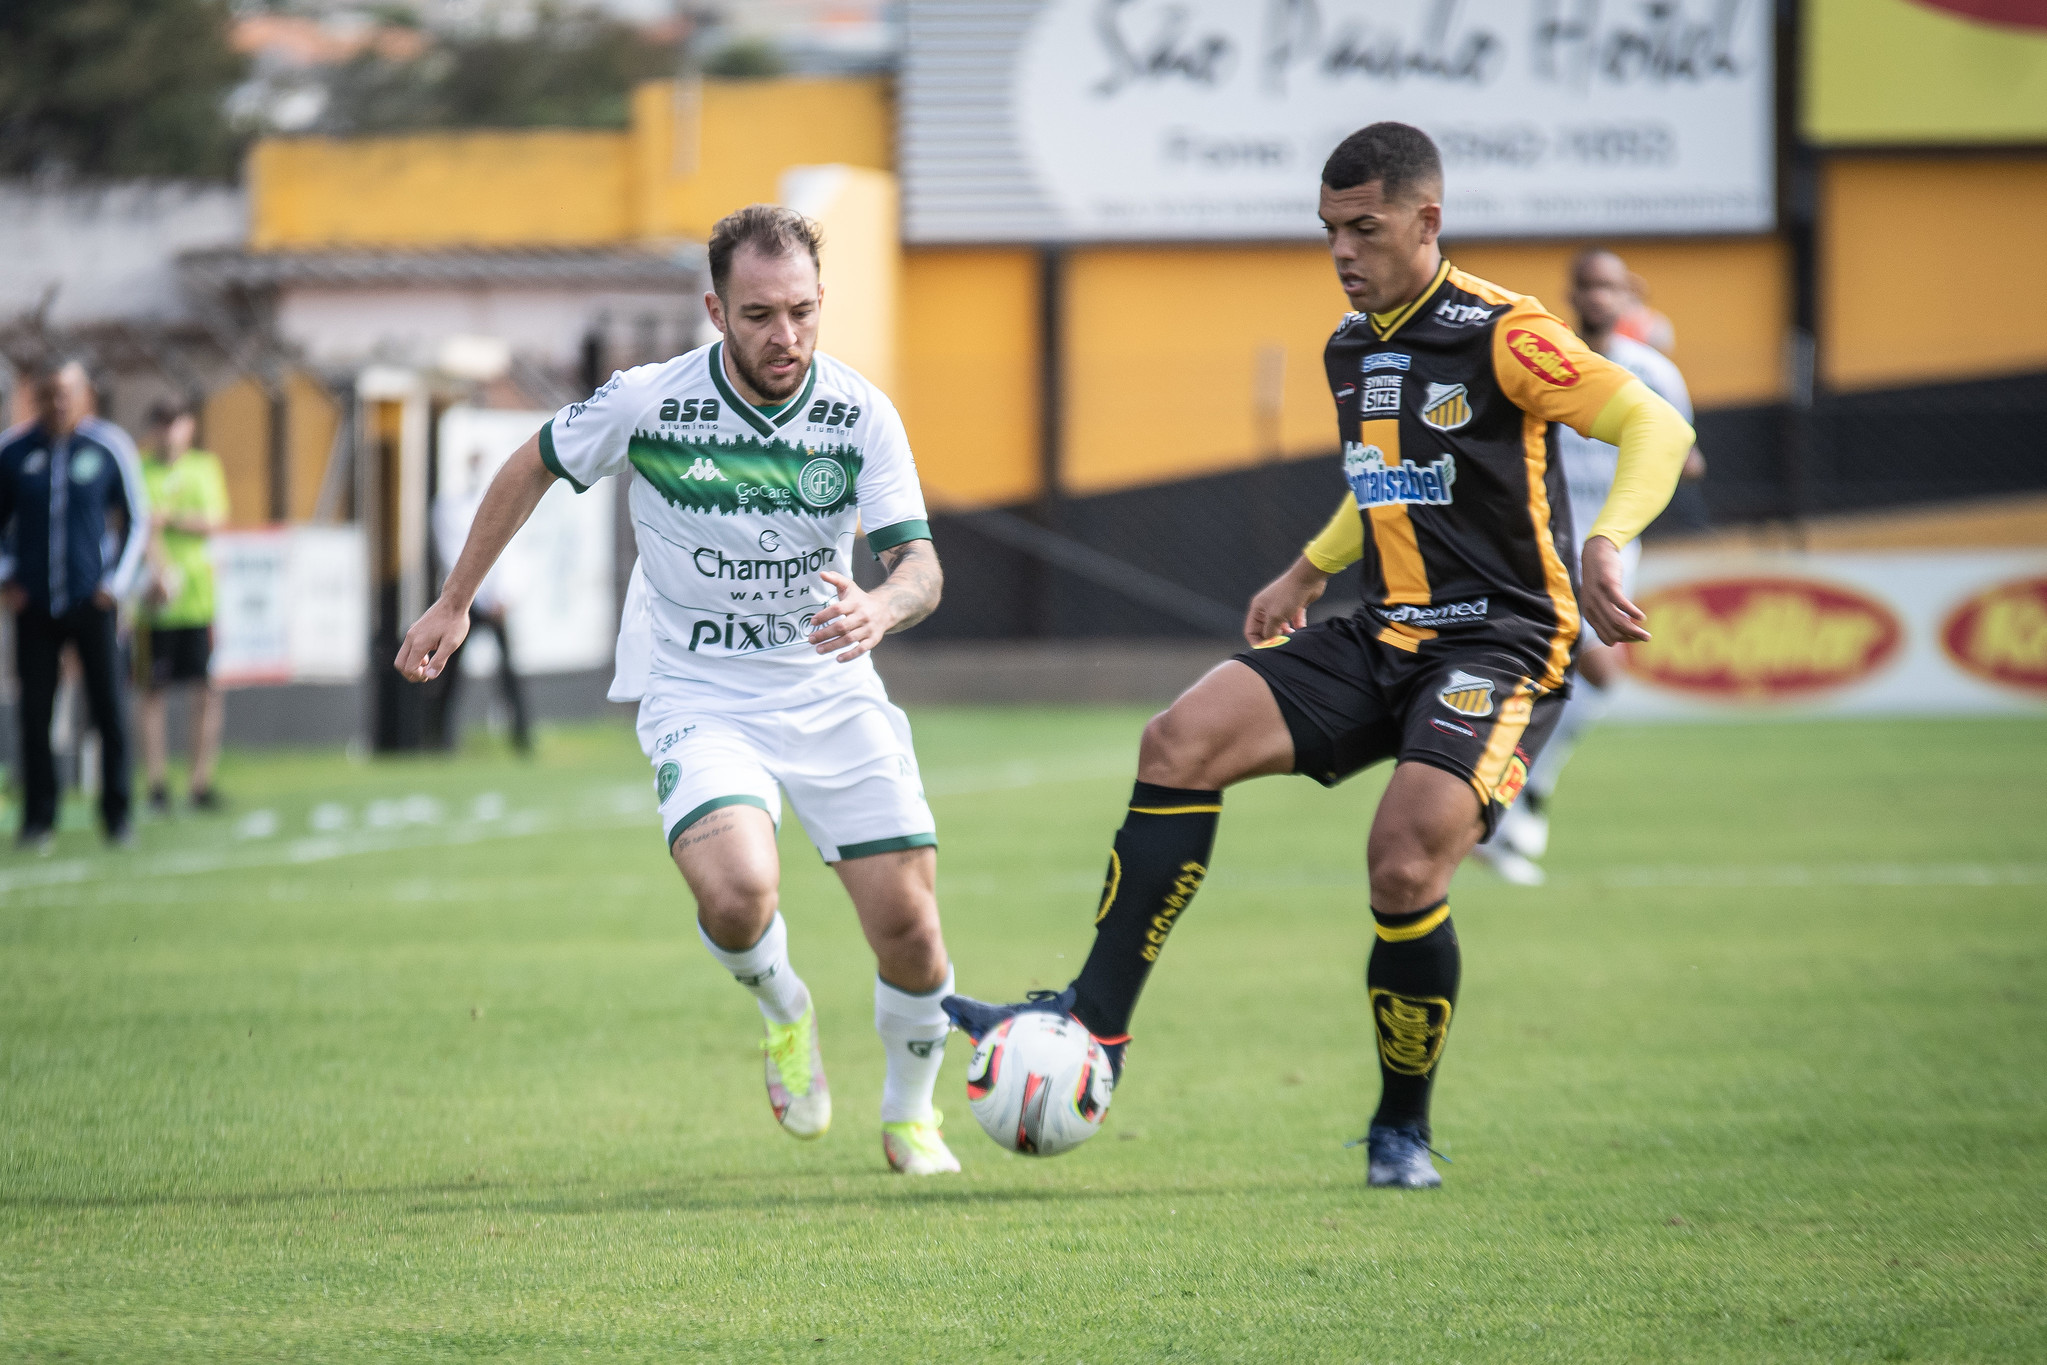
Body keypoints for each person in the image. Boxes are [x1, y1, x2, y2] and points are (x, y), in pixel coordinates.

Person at [943, 124, 1695, 1188]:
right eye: (1329, 230)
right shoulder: (1353, 345)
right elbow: (1385, 474)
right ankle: (1096, 1026)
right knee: (1180, 738)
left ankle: (1401, 1125)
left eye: (1365, 228)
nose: (1342, 251)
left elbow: (1650, 424)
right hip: (1382, 632)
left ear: (1425, 221)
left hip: (1499, 641)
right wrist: (1307, 569)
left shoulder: (1505, 334)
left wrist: (1608, 541)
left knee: (1403, 860)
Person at [394, 205, 962, 1175]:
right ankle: (785, 1008)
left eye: (801, 311)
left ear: (823, 303)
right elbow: (531, 463)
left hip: (828, 688)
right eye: (757, 316)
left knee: (909, 929)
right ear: (715, 309)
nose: (784, 337)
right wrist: (455, 599)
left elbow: (920, 565)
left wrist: (881, 606)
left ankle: (911, 1114)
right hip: (698, 688)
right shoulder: (647, 400)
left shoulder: (860, 412)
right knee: (740, 894)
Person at [1471, 248, 1706, 885]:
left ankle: (1508, 798)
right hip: (1549, 542)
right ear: (1572, 294)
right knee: (1598, 668)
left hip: (1615, 544)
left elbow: (1686, 456)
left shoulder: (1652, 372)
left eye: (1610, 286)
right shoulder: (1552, 366)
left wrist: (1639, 435)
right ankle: (1502, 804)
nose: (1599, 296)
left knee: (1578, 680)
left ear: (1630, 294)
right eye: (1588, 285)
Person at [0, 361, 149, 851]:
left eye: (66, 393)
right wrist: (7, 579)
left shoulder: (108, 447)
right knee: (35, 712)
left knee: (108, 708)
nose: (57, 403)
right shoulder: (15, 451)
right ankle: (39, 819)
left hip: (93, 602)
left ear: (85, 395)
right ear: (34, 398)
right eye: (47, 394)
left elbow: (137, 519)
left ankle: (117, 816)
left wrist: (117, 584)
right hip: (36, 604)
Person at [137, 398, 231, 813]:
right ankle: (157, 784)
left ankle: (200, 782)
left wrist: (170, 520)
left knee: (206, 690)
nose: (167, 431)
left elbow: (214, 520)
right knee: (151, 692)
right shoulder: (140, 470)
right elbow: (136, 526)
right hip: (154, 605)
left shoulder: (203, 468)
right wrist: (157, 569)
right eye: (160, 423)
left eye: (174, 422)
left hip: (197, 599)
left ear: (188, 426)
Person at [426, 447, 530, 754]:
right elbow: (453, 553)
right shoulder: (449, 507)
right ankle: (439, 737)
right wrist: (467, 597)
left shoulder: (504, 506)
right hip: (465, 604)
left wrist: (503, 596)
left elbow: (511, 554)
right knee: (447, 673)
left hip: (494, 604)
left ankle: (521, 737)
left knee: (509, 674)